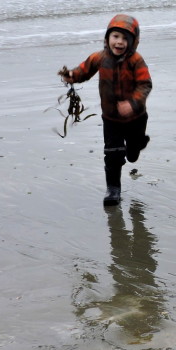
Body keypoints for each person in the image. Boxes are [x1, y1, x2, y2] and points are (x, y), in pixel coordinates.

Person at [59, 14, 152, 207]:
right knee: (112, 153)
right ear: (107, 38)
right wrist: (71, 76)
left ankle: (137, 145)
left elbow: (145, 84)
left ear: (134, 42)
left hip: (136, 117)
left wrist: (132, 104)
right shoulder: (99, 58)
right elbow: (83, 71)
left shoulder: (136, 60)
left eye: (126, 38)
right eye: (116, 36)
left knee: (132, 153)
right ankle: (113, 189)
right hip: (111, 118)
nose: (120, 42)